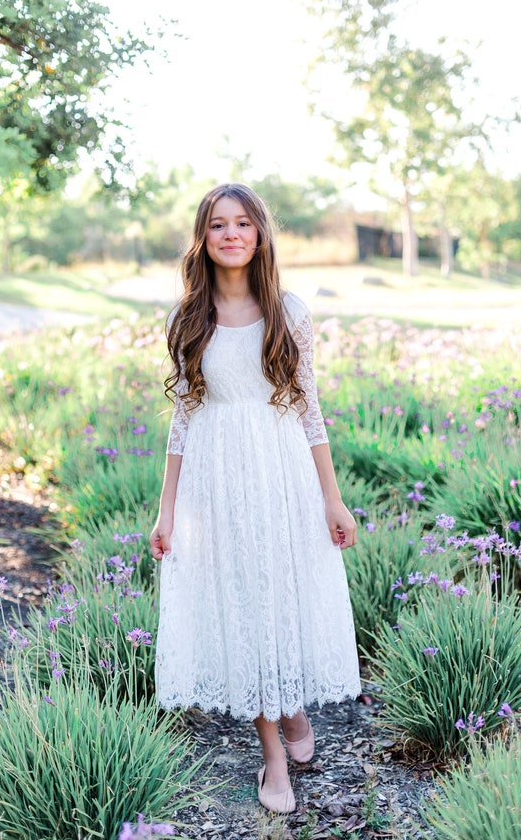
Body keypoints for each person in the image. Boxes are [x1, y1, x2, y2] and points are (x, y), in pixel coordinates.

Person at [150, 183, 361, 815]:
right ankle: (273, 753)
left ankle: (292, 706)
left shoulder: (289, 311)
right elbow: (182, 420)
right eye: (218, 225)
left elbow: (310, 409)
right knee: (241, 600)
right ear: (204, 239)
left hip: (281, 473)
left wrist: (333, 499)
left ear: (260, 234)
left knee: (278, 593)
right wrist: (167, 510)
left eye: (243, 223)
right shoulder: (187, 318)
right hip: (217, 480)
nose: (232, 234)